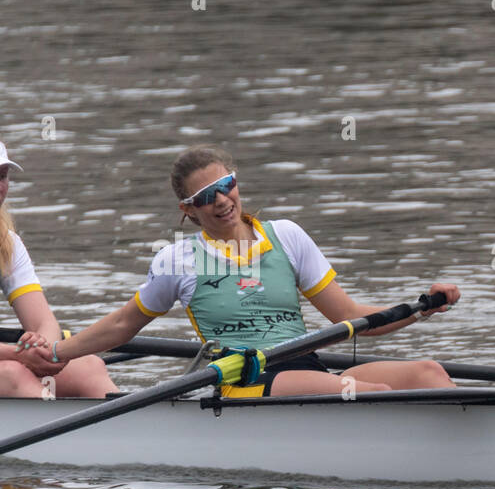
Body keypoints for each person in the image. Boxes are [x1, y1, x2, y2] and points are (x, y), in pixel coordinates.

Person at [21, 145, 459, 397]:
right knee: (374, 395)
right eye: (207, 195)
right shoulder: (179, 260)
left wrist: (423, 307)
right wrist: (58, 353)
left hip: (306, 369)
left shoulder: (286, 236)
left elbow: (352, 317)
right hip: (243, 379)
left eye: (226, 184)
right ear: (189, 209)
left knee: (430, 375)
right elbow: (122, 325)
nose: (222, 200)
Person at [0, 141, 117, 397]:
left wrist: (44, 348)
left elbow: (43, 320)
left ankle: (134, 432)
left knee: (90, 366)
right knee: (13, 373)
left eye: (1, 176)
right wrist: (18, 354)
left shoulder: (7, 244)